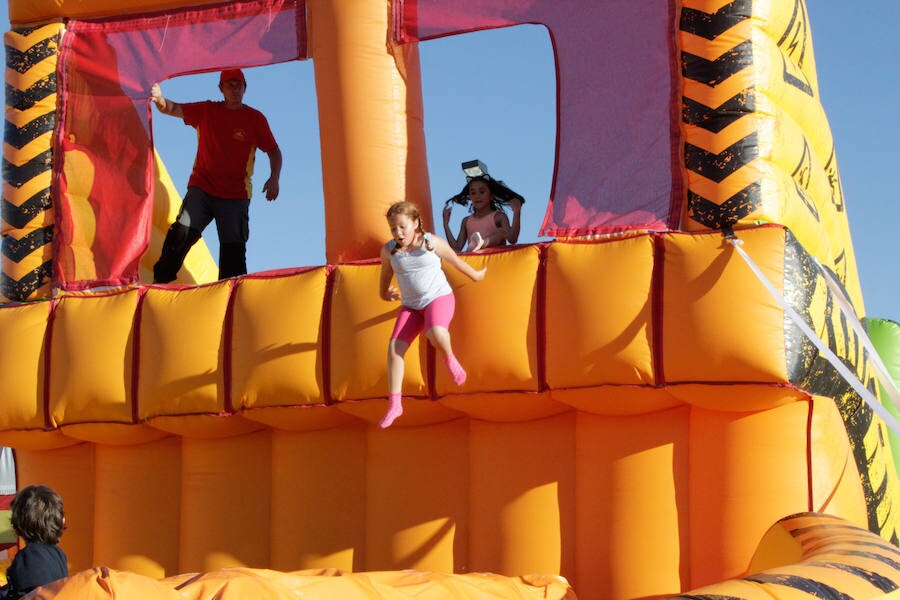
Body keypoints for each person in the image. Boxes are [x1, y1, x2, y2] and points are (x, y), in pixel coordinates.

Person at [150, 69, 283, 282]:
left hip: (235, 195)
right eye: (229, 85)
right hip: (202, 188)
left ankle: (230, 299)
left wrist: (274, 178)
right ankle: (160, 282)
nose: (234, 89)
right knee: (181, 233)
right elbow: (172, 108)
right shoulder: (206, 110)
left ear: (245, 88)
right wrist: (158, 98)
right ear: (221, 89)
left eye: (238, 85)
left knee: (234, 252)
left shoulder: (255, 119)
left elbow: (274, 151)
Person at [379, 201, 487, 428]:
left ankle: (449, 358)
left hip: (438, 298)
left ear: (415, 223)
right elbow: (385, 276)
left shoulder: (430, 242)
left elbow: (455, 261)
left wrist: (475, 275)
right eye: (393, 229)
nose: (398, 233)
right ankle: (395, 403)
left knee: (435, 332)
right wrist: (384, 294)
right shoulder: (390, 251)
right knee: (394, 349)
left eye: (402, 227)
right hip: (411, 307)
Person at [1, 485, 67, 599]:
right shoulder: (59, 554)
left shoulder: (29, 558)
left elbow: (30, 594)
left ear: (18, 525)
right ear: (61, 521)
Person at [442, 172, 524, 253]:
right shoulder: (466, 221)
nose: (477, 196)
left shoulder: (499, 216)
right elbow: (457, 248)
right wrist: (446, 224)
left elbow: (512, 239)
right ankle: (477, 245)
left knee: (502, 232)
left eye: (482, 192)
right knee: (502, 232)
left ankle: (481, 243)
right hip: (476, 261)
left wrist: (517, 212)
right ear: (470, 197)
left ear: (491, 195)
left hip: (494, 260)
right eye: (473, 193)